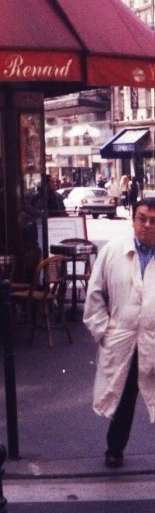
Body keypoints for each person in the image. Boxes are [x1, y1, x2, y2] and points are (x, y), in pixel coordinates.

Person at [83, 197, 155, 468]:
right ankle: (115, 449)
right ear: (133, 220)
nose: (147, 225)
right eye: (141, 218)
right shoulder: (113, 251)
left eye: (153, 220)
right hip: (123, 338)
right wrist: (104, 331)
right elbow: (95, 294)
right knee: (124, 397)